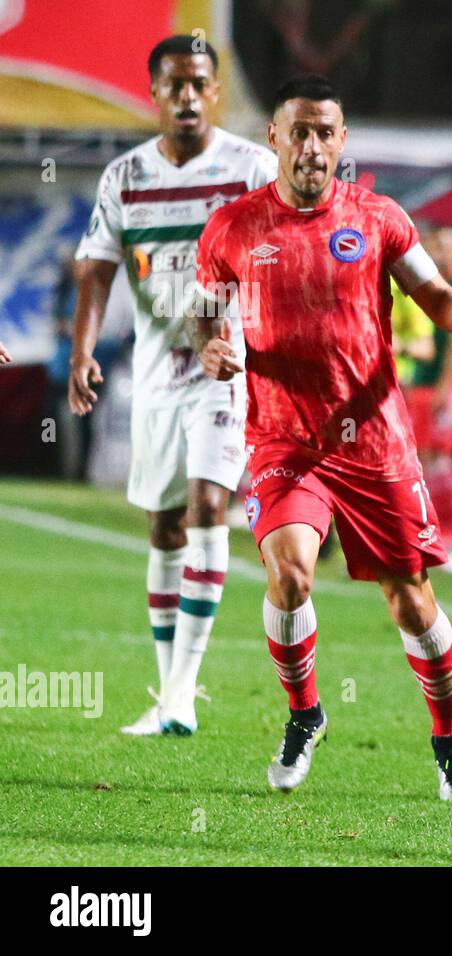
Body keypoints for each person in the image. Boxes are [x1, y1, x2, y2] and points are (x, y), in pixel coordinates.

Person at [192, 75, 452, 795]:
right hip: (283, 440)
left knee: (410, 599)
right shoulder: (233, 227)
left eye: (325, 132)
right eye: (298, 131)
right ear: (274, 137)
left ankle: (450, 740)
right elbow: (205, 313)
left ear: (342, 142)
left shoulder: (379, 217)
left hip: (375, 444)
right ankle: (305, 714)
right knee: (291, 572)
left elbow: (436, 295)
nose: (311, 145)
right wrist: (213, 345)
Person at [70, 36, 277, 737]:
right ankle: (166, 692)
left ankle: (183, 693)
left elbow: (289, 254)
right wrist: (82, 351)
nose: (187, 96)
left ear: (214, 91)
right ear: (154, 92)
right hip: (156, 373)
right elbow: (96, 266)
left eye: (199, 84)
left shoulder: (253, 168)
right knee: (163, 526)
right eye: (174, 85)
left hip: (227, 369)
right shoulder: (125, 176)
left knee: (207, 507)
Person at [391, 222, 452, 574]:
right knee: (424, 459)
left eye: (446, 245)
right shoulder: (426, 286)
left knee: (439, 458)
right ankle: (427, 534)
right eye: (433, 246)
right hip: (422, 383)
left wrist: (448, 386)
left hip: (447, 386)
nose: (439, 252)